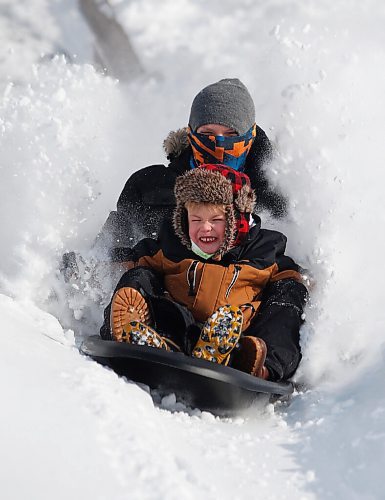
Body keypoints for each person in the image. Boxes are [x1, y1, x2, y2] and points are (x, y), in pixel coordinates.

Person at [100, 164, 307, 381]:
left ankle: (259, 365)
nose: (205, 228)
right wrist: (87, 270)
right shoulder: (172, 245)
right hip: (177, 328)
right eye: (196, 220)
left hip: (236, 337)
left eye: (216, 220)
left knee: (287, 297)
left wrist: (317, 287)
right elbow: (128, 261)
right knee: (140, 275)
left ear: (237, 220)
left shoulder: (265, 250)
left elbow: (297, 280)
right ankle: (133, 333)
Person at [92, 78, 286, 263]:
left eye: (231, 135)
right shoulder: (149, 186)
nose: (219, 144)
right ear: (191, 134)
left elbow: (288, 264)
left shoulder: (274, 196)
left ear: (249, 137)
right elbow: (107, 251)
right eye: (207, 134)